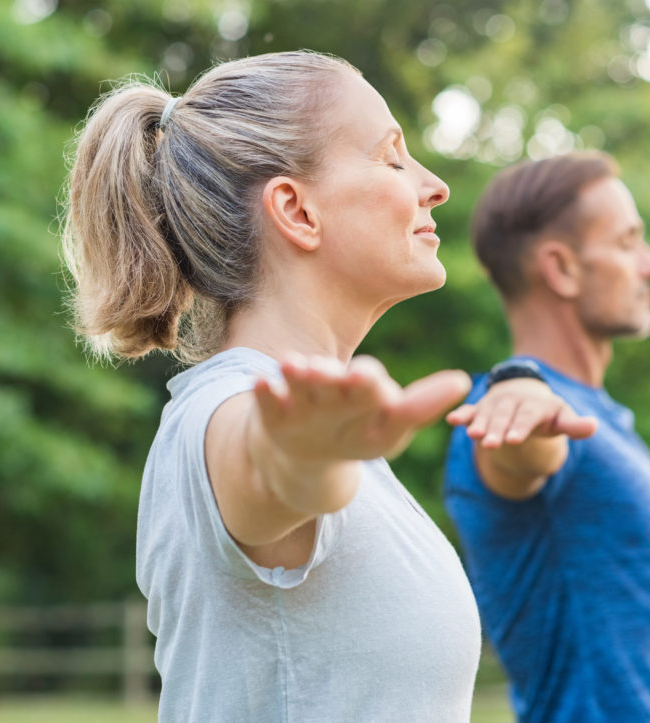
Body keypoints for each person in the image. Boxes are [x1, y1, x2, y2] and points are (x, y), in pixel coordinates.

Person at [60, 51, 481, 721]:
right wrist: (302, 455)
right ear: (296, 209)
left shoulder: (331, 435)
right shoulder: (227, 412)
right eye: (392, 156)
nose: (434, 186)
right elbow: (263, 465)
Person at [442, 151, 650, 722]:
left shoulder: (597, 415)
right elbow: (520, 451)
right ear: (561, 268)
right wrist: (519, 398)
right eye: (628, 242)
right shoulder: (509, 412)